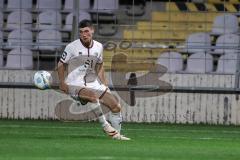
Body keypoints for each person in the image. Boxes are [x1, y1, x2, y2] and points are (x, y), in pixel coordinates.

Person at [57, 19, 130, 140]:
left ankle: (116, 136)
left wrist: (104, 83)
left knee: (116, 106)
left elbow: (100, 65)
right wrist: (62, 82)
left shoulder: (98, 46)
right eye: (81, 32)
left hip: (93, 82)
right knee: (92, 96)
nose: (83, 34)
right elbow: (61, 64)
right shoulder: (71, 47)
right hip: (74, 83)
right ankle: (105, 125)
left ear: (92, 31)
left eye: (86, 31)